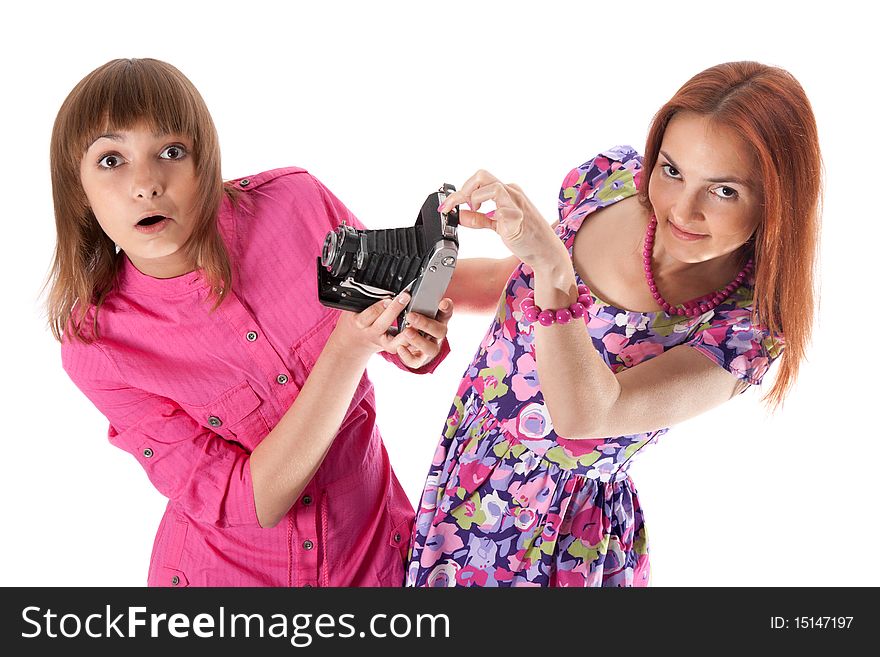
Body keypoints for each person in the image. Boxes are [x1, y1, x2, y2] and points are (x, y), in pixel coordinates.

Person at [406, 61, 821, 587]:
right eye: (671, 170)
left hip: (554, 540)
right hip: (463, 474)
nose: (681, 210)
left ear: (777, 203)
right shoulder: (611, 183)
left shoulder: (747, 330)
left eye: (724, 191)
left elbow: (588, 413)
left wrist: (555, 269)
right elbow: (508, 282)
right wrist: (399, 294)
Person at [46, 58, 453, 587]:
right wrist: (349, 350)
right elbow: (253, 500)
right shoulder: (99, 346)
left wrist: (412, 338)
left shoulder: (296, 203)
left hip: (375, 561)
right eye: (111, 160)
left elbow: (392, 318)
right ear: (78, 190)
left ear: (206, 162)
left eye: (171, 152)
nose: (145, 184)